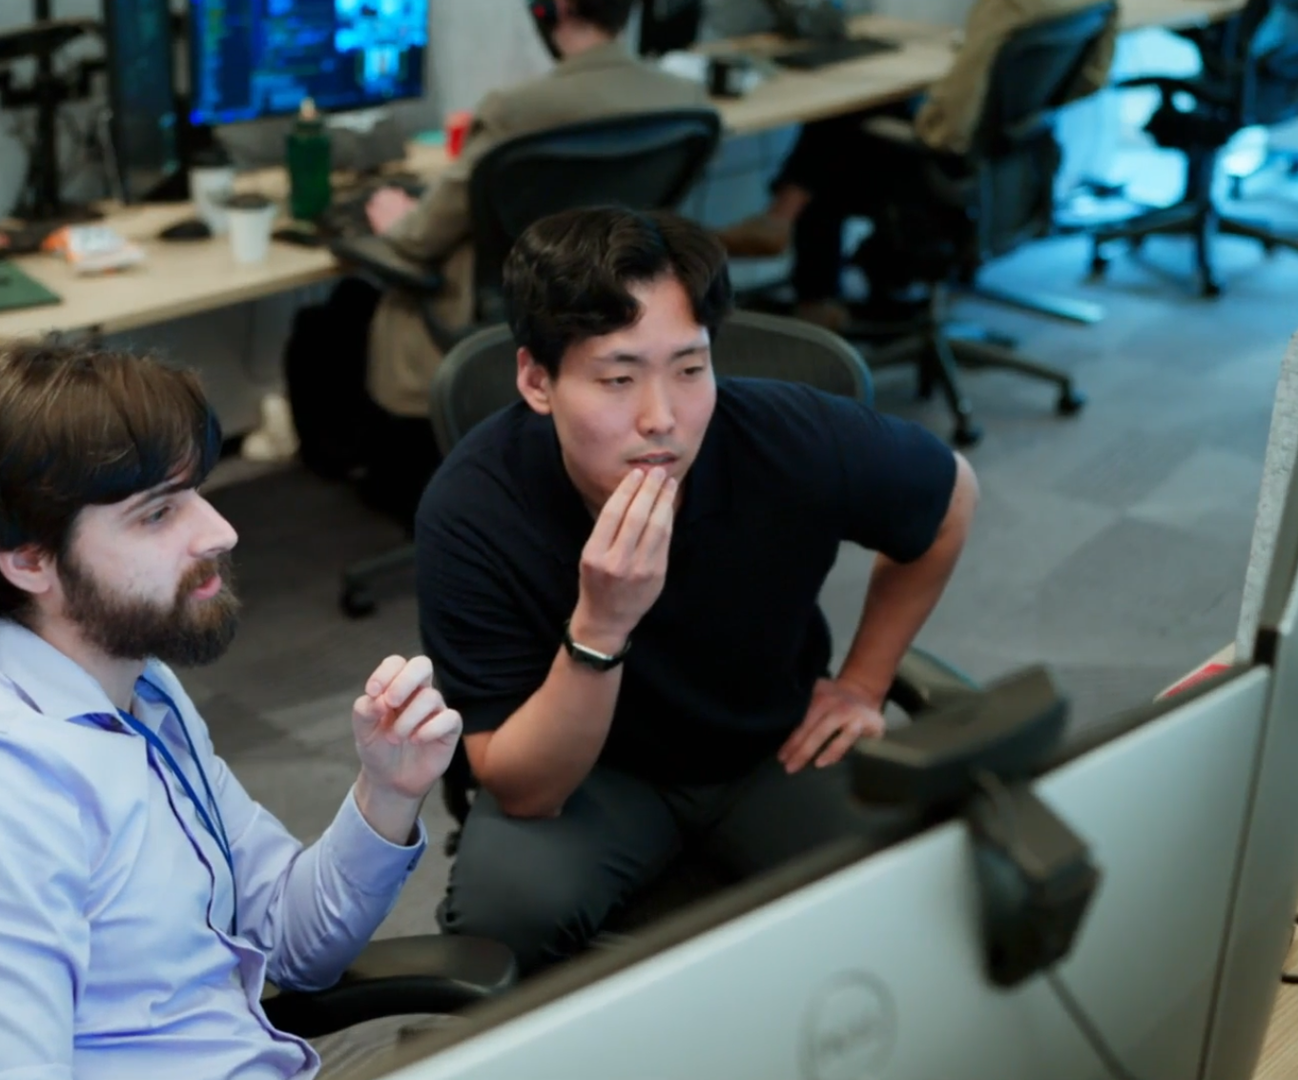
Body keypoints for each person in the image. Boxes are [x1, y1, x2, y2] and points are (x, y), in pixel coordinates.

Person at [0, 342, 466, 1080]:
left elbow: (292, 940)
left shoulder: (136, 686)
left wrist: (386, 793)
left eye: (196, 491)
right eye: (157, 512)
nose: (219, 530)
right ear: (29, 559)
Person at [417, 207, 979, 975]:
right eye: (618, 379)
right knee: (498, 923)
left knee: (928, 887)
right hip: (593, 776)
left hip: (769, 743)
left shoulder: (786, 439)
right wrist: (601, 627)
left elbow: (952, 498)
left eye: (690, 369)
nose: (663, 419)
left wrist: (862, 682)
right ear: (536, 380)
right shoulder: (473, 509)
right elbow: (522, 788)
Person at [286, 0, 707, 528]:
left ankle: (395, 483)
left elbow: (419, 240)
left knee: (351, 305)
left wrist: (396, 217)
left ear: (557, 10)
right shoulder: (681, 96)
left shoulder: (517, 110)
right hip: (619, 306)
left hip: (507, 304)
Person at [717, 0, 1118, 329]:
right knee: (862, 112)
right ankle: (804, 263)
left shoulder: (1005, 9)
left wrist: (933, 112)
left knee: (842, 125)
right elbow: (1090, 80)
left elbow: (947, 130)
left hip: (948, 174)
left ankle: (793, 242)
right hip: (1014, 160)